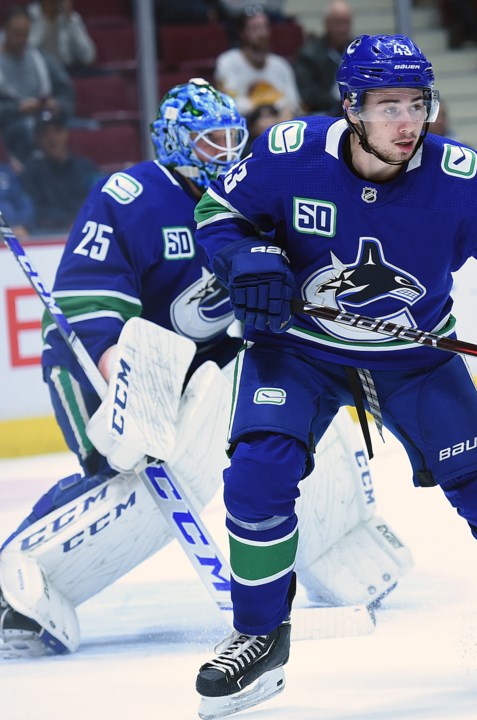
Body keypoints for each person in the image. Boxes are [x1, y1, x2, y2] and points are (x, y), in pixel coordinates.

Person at [192, 33, 477, 718]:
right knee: (256, 473)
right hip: (299, 348)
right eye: (387, 105)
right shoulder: (288, 151)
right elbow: (220, 211)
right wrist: (241, 256)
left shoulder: (462, 177)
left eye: (416, 103)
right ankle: (257, 635)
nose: (406, 121)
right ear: (351, 108)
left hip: (414, 358)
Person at [0, 78, 409, 659]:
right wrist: (130, 388)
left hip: (200, 361)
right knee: (130, 474)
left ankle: (340, 542)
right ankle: (20, 580)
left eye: (231, 138)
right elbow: (91, 302)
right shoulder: (129, 195)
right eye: (208, 141)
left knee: (293, 414)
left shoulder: (247, 194)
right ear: (172, 141)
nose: (225, 153)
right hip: (105, 357)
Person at [0, 4, 74, 166]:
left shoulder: (39, 56)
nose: (22, 40)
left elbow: (66, 91)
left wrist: (57, 104)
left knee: (88, 127)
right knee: (30, 129)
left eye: (25, 34)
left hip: (48, 118)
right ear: (4, 29)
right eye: (17, 34)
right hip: (12, 126)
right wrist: (17, 109)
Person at [214, 7, 303, 117]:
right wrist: (261, 110)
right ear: (242, 33)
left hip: (281, 121)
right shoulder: (227, 62)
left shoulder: (281, 65)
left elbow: (294, 102)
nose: (261, 34)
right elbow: (228, 103)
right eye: (254, 29)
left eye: (264, 28)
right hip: (245, 123)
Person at [20, 108, 99, 232]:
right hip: (47, 235)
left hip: (84, 231)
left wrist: (80, 221)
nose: (52, 138)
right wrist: (68, 222)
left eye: (57, 131)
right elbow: (33, 211)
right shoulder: (31, 173)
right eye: (45, 133)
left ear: (65, 133)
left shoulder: (86, 167)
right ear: (37, 138)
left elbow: (97, 200)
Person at [292, 0, 352, 116]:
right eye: (338, 23)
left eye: (346, 23)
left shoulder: (357, 50)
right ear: (326, 23)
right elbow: (307, 94)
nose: (342, 29)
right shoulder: (308, 53)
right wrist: (339, 103)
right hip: (323, 113)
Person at [26, 0, 96, 72]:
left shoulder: (71, 19)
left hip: (66, 71)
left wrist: (69, 21)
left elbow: (87, 57)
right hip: (36, 71)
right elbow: (27, 50)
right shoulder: (29, 16)